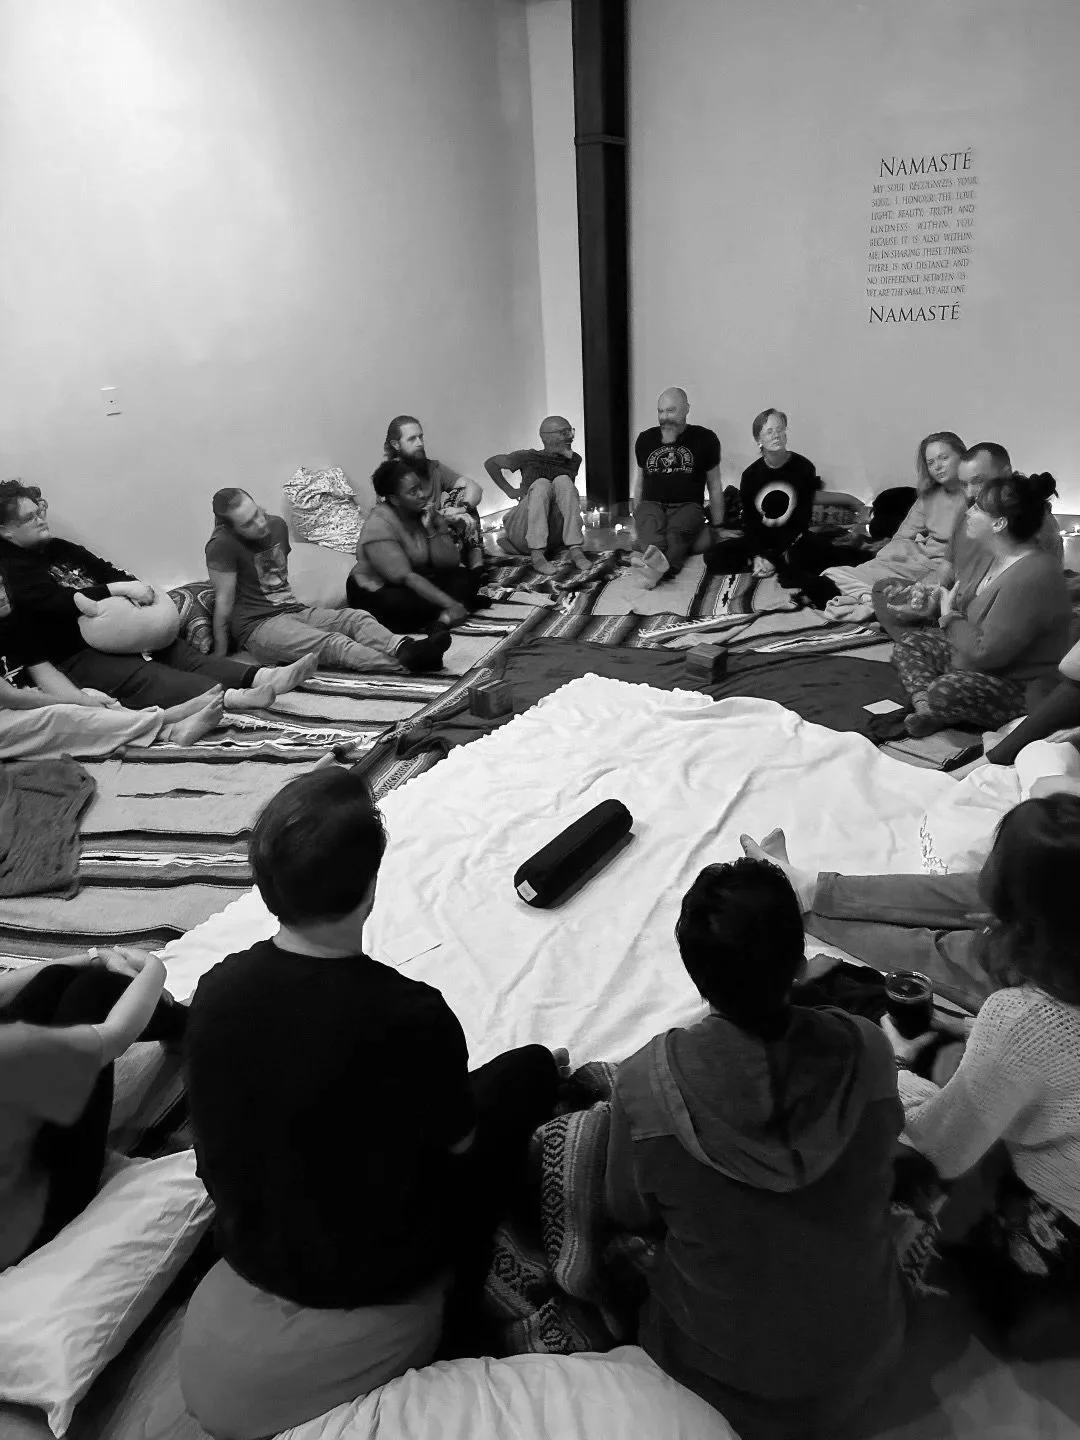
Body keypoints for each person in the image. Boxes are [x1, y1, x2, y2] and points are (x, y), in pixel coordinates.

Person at [180, 769, 562, 1439]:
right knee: (525, 1073)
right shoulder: (409, 1014)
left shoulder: (214, 992)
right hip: (377, 1268)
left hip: (253, 1242)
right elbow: (461, 1147)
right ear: (369, 888)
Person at [606, 857, 905, 1440]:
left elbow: (626, 1211)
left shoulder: (644, 1085)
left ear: (695, 977)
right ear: (799, 965)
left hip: (728, 1385)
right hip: (871, 1354)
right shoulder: (867, 1048)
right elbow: (885, 1148)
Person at [0, 485, 313, 712]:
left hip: (120, 628)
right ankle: (229, 699)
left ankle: (262, 675)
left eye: (39, 511)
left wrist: (140, 593)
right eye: (29, 518)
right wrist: (117, 591)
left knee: (178, 653)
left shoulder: (57, 547)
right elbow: (53, 601)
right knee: (147, 677)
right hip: (74, 653)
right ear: (6, 531)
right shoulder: (11, 567)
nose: (41, 519)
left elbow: (107, 570)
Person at [0, 946, 185, 1271]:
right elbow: (117, 1033)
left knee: (55, 978)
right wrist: (152, 969)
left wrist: (93, 956)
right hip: (38, 1207)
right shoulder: (11, 1052)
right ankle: (194, 1025)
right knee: (93, 991)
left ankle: (185, 1024)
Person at [892, 471, 1071, 737]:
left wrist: (948, 616)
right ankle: (926, 709)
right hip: (978, 661)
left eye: (978, 508)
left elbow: (986, 653)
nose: (969, 512)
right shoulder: (996, 556)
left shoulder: (1033, 575)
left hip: (1017, 681)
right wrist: (933, 604)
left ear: (999, 523)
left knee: (945, 691)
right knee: (910, 643)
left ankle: (936, 705)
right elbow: (965, 610)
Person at [206, 489, 451, 673]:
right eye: (248, 523)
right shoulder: (222, 545)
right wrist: (218, 657)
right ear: (229, 528)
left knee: (355, 617)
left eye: (258, 513)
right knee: (334, 644)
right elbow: (224, 602)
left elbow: (277, 580)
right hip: (258, 626)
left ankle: (404, 647)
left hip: (294, 610)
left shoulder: (277, 526)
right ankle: (409, 663)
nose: (260, 523)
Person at [873, 444, 1064, 640]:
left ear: (1006, 473)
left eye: (978, 481)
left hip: (993, 619)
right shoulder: (969, 515)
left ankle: (935, 639)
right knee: (883, 589)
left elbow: (1022, 600)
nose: (970, 493)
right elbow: (947, 570)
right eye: (964, 484)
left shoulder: (1027, 525)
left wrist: (949, 614)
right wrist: (921, 594)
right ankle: (934, 636)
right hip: (958, 607)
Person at [0, 603, 223, 757]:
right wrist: (68, 703)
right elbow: (10, 698)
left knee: (92, 695)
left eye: (1, 585)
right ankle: (168, 721)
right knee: (58, 714)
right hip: (6, 714)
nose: (2, 594)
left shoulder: (12, 625)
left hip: (27, 697)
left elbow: (46, 674)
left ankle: (169, 730)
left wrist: (80, 699)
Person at [817, 432, 969, 607]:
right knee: (834, 575)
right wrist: (891, 556)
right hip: (912, 560)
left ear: (961, 456)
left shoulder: (974, 496)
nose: (938, 467)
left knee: (905, 595)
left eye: (944, 458)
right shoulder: (928, 496)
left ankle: (872, 599)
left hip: (942, 568)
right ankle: (867, 596)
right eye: (931, 462)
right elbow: (904, 535)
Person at [347, 461, 484, 631]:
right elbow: (407, 577)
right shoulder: (378, 524)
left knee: (464, 578)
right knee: (399, 605)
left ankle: (444, 616)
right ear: (395, 499)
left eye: (420, 487)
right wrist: (451, 603)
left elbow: (449, 562)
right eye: (413, 492)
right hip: (378, 590)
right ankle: (450, 613)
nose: (422, 495)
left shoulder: (420, 512)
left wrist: (435, 527)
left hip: (416, 579)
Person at [703, 409, 822, 581]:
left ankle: (770, 563)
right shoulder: (751, 476)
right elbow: (750, 524)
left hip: (792, 538)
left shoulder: (804, 468)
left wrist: (773, 556)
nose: (777, 435)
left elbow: (802, 519)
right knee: (713, 556)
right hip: (763, 538)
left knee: (814, 555)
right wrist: (758, 554)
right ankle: (761, 563)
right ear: (759, 440)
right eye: (770, 431)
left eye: (780, 430)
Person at [632, 388, 723, 584]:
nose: (664, 417)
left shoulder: (705, 438)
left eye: (670, 411)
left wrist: (719, 525)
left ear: (686, 409)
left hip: (687, 507)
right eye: (660, 411)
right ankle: (660, 564)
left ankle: (656, 568)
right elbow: (639, 483)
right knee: (648, 523)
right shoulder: (645, 439)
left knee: (676, 534)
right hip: (652, 505)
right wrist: (636, 518)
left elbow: (715, 486)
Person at [484, 417, 591, 575]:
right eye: (564, 432)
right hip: (524, 528)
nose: (570, 436)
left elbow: (565, 498)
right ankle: (537, 554)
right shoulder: (526, 456)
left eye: (570, 431)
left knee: (563, 481)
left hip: (552, 532)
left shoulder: (574, 460)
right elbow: (491, 463)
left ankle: (575, 548)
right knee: (541, 484)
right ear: (546, 437)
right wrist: (510, 491)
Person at [383, 416, 485, 572]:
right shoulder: (391, 476)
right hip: (418, 539)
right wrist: (443, 518)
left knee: (463, 497)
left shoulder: (432, 467)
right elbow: (403, 521)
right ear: (396, 444)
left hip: (441, 528)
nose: (420, 443)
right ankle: (456, 569)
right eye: (412, 439)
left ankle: (477, 568)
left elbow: (473, 487)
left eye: (421, 437)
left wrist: (461, 509)